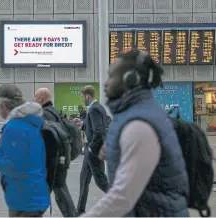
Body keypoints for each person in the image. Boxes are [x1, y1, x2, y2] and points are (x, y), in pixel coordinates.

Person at [81, 49, 189, 217]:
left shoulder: (139, 126)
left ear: (130, 80)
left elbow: (122, 197)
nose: (105, 83)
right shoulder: (134, 114)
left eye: (112, 77)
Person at [0, 84, 50, 217]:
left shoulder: (15, 128)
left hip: (24, 200)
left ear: (3, 105)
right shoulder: (31, 123)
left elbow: (11, 167)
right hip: (34, 194)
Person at [34, 88, 76, 217]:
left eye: (35, 97)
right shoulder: (57, 112)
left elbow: (47, 140)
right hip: (62, 158)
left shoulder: (44, 114)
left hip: (52, 162)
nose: (33, 100)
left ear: (41, 99)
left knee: (50, 192)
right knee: (60, 190)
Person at [75, 85, 109, 216]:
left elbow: (99, 131)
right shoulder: (98, 107)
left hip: (93, 151)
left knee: (101, 181)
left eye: (82, 97)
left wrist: (90, 148)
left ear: (87, 96)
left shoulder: (94, 109)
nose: (82, 99)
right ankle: (80, 210)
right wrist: (82, 124)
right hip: (92, 150)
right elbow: (96, 126)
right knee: (84, 178)